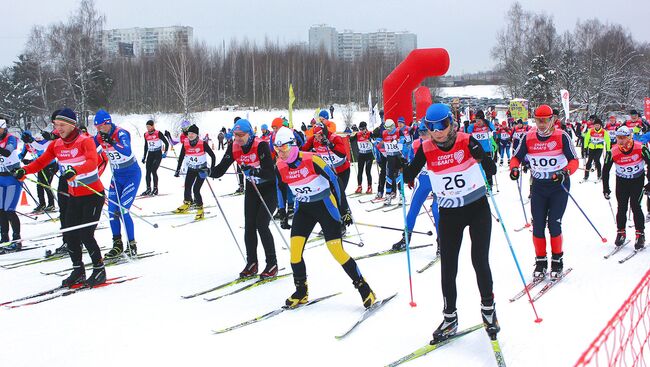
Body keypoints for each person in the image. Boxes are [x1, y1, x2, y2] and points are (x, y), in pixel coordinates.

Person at [403, 103, 499, 342]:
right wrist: (404, 172)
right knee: (448, 266)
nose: (437, 131)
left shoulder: (466, 141)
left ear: (451, 123)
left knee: (479, 260)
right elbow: (412, 170)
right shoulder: (426, 148)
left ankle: (488, 310)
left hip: (477, 209)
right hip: (449, 213)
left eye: (442, 125)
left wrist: (485, 162)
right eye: (431, 127)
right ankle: (449, 317)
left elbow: (490, 165)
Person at [273, 127, 376, 309]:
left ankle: (364, 288)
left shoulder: (312, 160)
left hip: (325, 206)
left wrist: (344, 209)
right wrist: (282, 210)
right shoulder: (280, 165)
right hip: (303, 209)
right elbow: (280, 188)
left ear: (293, 146)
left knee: (336, 250)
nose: (280, 153)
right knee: (295, 253)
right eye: (277, 148)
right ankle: (301, 291)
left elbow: (335, 181)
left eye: (284, 148)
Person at [15, 108, 106, 287]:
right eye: (56, 125)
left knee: (86, 234)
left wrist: (75, 170)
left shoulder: (85, 141)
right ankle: (78, 270)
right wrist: (24, 170)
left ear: (72, 125)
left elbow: (91, 162)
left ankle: (99, 270)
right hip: (74, 197)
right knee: (70, 233)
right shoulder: (56, 145)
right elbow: (41, 162)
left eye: (62, 125)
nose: (59, 128)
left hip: (93, 195)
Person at [510, 104, 579, 279]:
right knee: (538, 225)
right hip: (539, 186)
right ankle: (540, 262)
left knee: (554, 224)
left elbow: (574, 160)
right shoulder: (528, 137)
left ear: (552, 120)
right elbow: (516, 157)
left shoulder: (561, 136)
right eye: (538, 120)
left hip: (558, 187)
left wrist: (565, 172)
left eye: (544, 120)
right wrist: (514, 168)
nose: (541, 124)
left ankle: (557, 260)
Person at [210, 119, 278, 278]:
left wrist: (254, 171)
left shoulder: (260, 145)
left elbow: (270, 173)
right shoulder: (233, 147)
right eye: (235, 135)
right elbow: (220, 169)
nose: (238, 138)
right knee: (249, 226)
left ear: (250, 134)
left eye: (241, 135)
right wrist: (208, 171)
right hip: (252, 190)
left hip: (268, 189)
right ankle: (252, 263)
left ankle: (272, 263)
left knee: (262, 224)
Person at [94, 109, 142, 258]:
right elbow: (88, 147)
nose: (100, 130)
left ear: (108, 123)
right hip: (116, 177)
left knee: (123, 210)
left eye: (101, 126)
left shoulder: (121, 133)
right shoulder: (99, 137)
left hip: (131, 175)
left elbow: (127, 151)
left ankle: (132, 244)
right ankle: (117, 244)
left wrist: (112, 142)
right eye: (97, 127)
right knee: (112, 212)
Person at [393, 121, 440, 250]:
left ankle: (441, 241)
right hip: (423, 179)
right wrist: (406, 170)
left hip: (438, 180)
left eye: (425, 133)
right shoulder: (415, 144)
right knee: (413, 207)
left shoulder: (439, 143)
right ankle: (405, 238)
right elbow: (411, 162)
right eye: (420, 133)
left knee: (436, 210)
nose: (422, 136)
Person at [603, 126, 649, 250]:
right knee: (622, 206)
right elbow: (605, 170)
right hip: (622, 181)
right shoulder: (613, 151)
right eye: (618, 138)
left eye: (624, 137)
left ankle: (640, 234)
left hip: (637, 181)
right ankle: (621, 232)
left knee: (635, 205)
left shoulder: (640, 147)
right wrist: (605, 188)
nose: (621, 141)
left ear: (630, 137)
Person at [301, 122, 353, 232]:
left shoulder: (334, 137)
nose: (318, 138)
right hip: (329, 173)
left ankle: (342, 222)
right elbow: (303, 150)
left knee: (338, 194)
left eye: (320, 135)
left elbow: (343, 154)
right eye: (316, 136)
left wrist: (331, 145)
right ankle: (332, 222)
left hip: (342, 170)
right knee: (328, 197)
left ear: (324, 132)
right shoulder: (314, 140)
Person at [174, 124, 215, 220]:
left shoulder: (202, 143)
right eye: (189, 133)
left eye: (193, 133)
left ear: (197, 134)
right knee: (187, 187)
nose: (190, 135)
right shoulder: (185, 143)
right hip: (191, 169)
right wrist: (178, 169)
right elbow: (181, 157)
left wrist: (211, 170)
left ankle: (200, 210)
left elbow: (213, 156)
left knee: (196, 189)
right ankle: (187, 204)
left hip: (201, 169)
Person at [0, 117, 23, 251]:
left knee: (9, 210)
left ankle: (17, 239)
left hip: (12, 179)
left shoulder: (11, 138)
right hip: (0, 178)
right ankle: (4, 238)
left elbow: (7, 152)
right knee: (1, 211)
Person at [19, 131, 57, 212]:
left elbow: (42, 155)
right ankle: (42, 204)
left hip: (50, 165)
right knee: (39, 185)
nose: (25, 142)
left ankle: (51, 204)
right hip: (40, 166)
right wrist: (19, 159)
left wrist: (30, 161)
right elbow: (21, 154)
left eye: (26, 139)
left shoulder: (37, 143)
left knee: (46, 184)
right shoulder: (27, 145)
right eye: (23, 140)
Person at [141, 119, 169, 196]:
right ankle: (148, 189)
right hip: (150, 153)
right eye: (147, 127)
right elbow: (146, 146)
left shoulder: (158, 133)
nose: (148, 128)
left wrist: (165, 152)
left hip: (157, 154)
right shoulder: (145, 134)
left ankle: (155, 189)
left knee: (153, 170)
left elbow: (166, 143)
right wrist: (144, 156)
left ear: (153, 126)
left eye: (149, 126)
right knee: (147, 172)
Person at [467, 110, 495, 186]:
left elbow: (493, 128)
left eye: (479, 121)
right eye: (476, 120)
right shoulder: (472, 126)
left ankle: (490, 185)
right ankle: (481, 185)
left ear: (483, 120)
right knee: (479, 170)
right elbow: (467, 132)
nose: (478, 122)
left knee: (488, 169)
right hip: (477, 151)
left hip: (487, 150)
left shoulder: (487, 125)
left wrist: (487, 123)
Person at [378, 119, 403, 204]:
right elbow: (380, 144)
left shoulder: (398, 131)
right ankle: (388, 196)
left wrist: (399, 142)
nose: (388, 130)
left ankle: (401, 196)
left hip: (398, 157)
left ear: (393, 126)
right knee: (388, 177)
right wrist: (382, 150)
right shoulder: (384, 133)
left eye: (390, 128)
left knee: (399, 177)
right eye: (386, 128)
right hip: (389, 157)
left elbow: (405, 141)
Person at [349, 121, 374, 194]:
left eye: (363, 129)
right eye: (360, 129)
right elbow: (351, 139)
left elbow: (374, 140)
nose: (361, 130)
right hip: (361, 154)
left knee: (367, 171)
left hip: (369, 154)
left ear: (366, 128)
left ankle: (369, 187)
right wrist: (350, 136)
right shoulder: (358, 134)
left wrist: (370, 139)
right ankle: (359, 186)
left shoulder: (370, 133)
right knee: (360, 171)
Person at [583, 117, 610, 182]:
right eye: (595, 125)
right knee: (589, 161)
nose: (597, 126)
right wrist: (585, 147)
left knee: (597, 160)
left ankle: (599, 175)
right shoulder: (591, 130)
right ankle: (586, 176)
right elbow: (586, 139)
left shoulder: (603, 131)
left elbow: (607, 140)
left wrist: (608, 149)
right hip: (591, 147)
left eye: (598, 125)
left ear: (600, 125)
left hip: (599, 148)